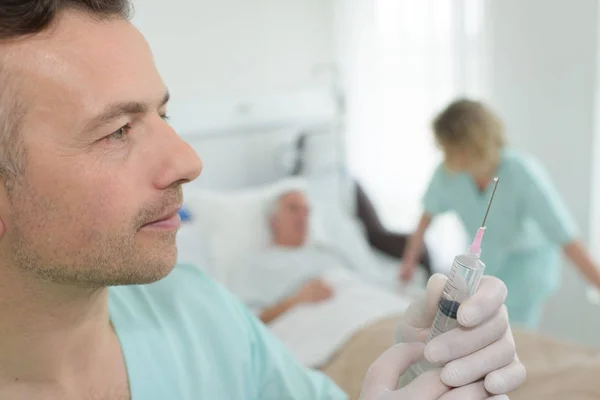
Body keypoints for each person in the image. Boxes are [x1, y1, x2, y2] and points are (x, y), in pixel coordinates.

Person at [0, 2, 525, 399]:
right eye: (117, 131)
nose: (188, 160)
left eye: (163, 115)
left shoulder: (199, 313)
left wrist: (418, 377)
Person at [400, 98, 600, 329]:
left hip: (525, 273)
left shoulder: (521, 172)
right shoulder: (449, 172)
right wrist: (408, 264)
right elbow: (427, 216)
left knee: (510, 336)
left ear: (474, 142)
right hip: (484, 267)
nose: (451, 156)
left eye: (456, 149)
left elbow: (566, 238)